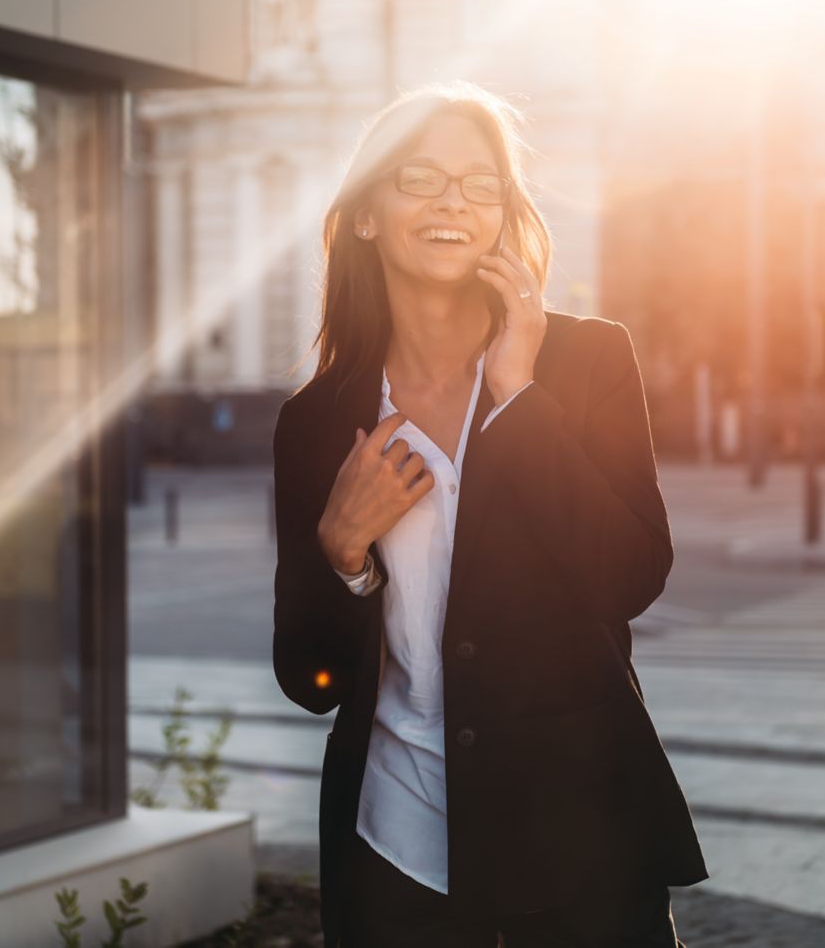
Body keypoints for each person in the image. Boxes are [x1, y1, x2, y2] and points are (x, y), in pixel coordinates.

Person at [270, 81, 708, 948]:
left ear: (505, 214)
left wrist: (518, 399)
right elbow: (307, 678)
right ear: (366, 215)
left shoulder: (585, 360)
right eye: (418, 179)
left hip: (580, 841)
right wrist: (343, 549)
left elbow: (631, 576)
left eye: (479, 185)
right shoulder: (317, 420)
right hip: (393, 846)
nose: (451, 204)